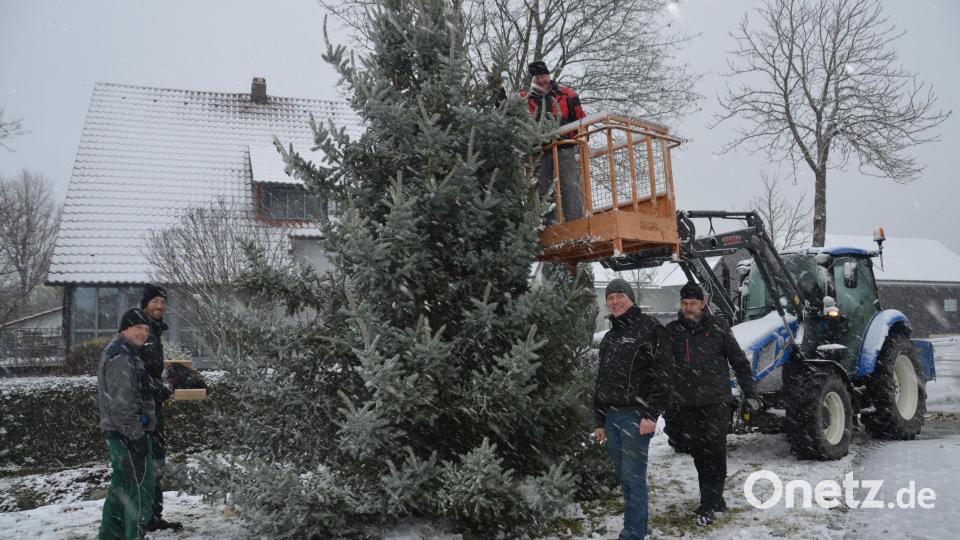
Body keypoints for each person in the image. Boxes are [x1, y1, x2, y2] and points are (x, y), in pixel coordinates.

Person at [664, 282, 759, 526]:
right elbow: (663, 367)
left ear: (703, 304)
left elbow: (738, 361)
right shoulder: (674, 331)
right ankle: (715, 496)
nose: (688, 308)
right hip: (687, 405)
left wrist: (750, 392)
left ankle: (708, 503)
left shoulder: (718, 327)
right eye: (685, 304)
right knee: (698, 452)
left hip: (717, 402)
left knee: (715, 451)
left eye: (693, 304)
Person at [595, 278, 674, 540]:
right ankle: (636, 524)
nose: (615, 302)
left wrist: (651, 414)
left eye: (620, 296)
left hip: (635, 416)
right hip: (612, 417)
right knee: (624, 477)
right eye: (610, 297)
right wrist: (599, 420)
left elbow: (664, 376)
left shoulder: (650, 329)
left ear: (631, 299)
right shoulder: (609, 337)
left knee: (633, 477)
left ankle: (633, 533)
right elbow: (602, 380)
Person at [97, 308, 157, 540]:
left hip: (120, 434)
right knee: (139, 493)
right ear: (124, 329)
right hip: (127, 436)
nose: (143, 333)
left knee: (120, 491)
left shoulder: (124, 353)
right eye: (138, 328)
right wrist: (137, 436)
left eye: (146, 329)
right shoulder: (122, 357)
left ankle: (109, 536)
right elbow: (122, 405)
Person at [521, 60, 587, 223]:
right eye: (537, 78)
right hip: (540, 151)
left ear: (548, 75)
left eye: (543, 76)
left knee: (568, 185)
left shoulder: (567, 95)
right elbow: (509, 110)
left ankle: (575, 222)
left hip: (565, 146)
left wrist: (580, 141)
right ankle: (550, 225)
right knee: (544, 190)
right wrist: (499, 98)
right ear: (532, 81)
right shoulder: (527, 99)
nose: (541, 80)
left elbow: (582, 120)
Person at [139, 284, 182, 531]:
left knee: (157, 462)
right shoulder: (140, 329)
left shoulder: (154, 331)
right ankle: (143, 517)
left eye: (163, 302)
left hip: (154, 408)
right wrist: (161, 387)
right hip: (143, 410)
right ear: (145, 303)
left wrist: (167, 379)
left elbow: (151, 370)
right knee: (146, 465)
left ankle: (153, 517)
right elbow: (138, 373)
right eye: (155, 301)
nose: (161, 306)